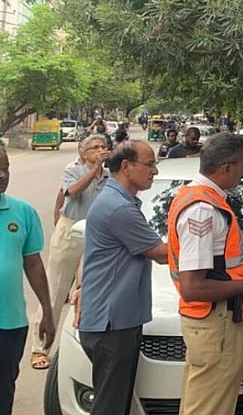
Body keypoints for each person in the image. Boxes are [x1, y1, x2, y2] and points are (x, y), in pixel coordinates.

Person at [76, 141, 169, 414]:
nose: (154, 171)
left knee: (115, 402)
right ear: (126, 167)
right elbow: (162, 253)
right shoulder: (119, 208)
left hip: (112, 322)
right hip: (111, 325)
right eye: (149, 164)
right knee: (110, 406)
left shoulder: (117, 200)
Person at [166, 133, 243, 415]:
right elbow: (193, 287)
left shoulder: (202, 199)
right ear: (226, 167)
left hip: (215, 322)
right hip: (215, 323)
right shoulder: (202, 210)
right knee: (208, 408)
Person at [30, 135, 109, 370]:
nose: (101, 151)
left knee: (90, 292)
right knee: (55, 291)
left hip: (96, 234)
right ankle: (40, 348)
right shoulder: (73, 169)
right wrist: (94, 169)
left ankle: (80, 350)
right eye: (95, 148)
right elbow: (72, 192)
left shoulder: (109, 174)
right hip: (71, 230)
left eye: (103, 147)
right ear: (83, 152)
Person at [0, 147, 54, 414]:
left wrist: (47, 310)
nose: (2, 175)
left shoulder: (23, 212)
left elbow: (33, 263)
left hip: (10, 324)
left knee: (4, 390)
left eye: (6, 168)